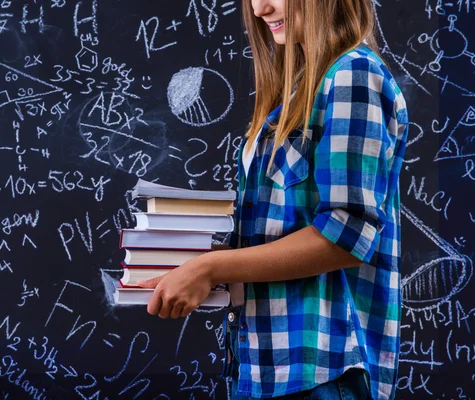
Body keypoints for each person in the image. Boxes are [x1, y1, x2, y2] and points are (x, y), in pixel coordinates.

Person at [138, 0, 408, 398]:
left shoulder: (353, 74)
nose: (261, 8)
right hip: (263, 367)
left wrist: (212, 268)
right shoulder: (300, 89)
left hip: (320, 370)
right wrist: (196, 260)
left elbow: (348, 235)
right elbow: (289, 226)